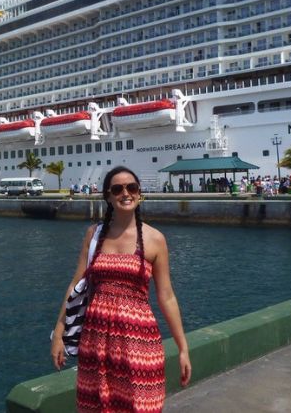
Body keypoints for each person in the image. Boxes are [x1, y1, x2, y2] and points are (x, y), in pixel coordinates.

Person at [51, 166, 192, 411]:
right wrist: (59, 333)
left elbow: (166, 296)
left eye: (132, 187)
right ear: (108, 196)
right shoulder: (94, 235)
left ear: (139, 194)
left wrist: (183, 348)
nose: (125, 193)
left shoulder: (154, 239)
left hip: (138, 343)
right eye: (117, 189)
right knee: (95, 405)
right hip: (95, 342)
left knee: (141, 405)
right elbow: (75, 285)